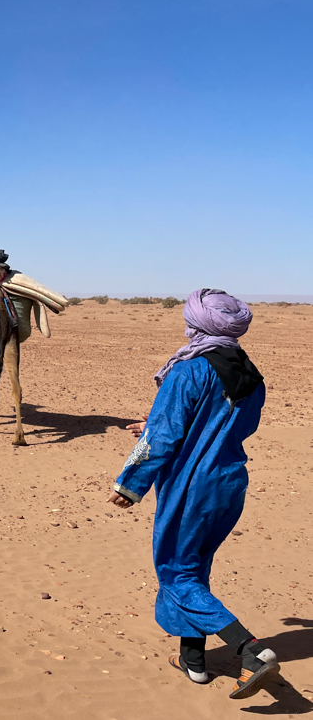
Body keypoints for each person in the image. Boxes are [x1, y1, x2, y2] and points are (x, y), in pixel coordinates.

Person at [107, 289, 274, 698]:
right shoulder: (250, 373)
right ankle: (193, 661)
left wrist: (131, 484)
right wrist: (157, 421)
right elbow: (229, 425)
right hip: (230, 482)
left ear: (197, 324)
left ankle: (249, 650)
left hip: (191, 487)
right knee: (194, 568)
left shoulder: (188, 371)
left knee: (176, 572)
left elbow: (163, 437)